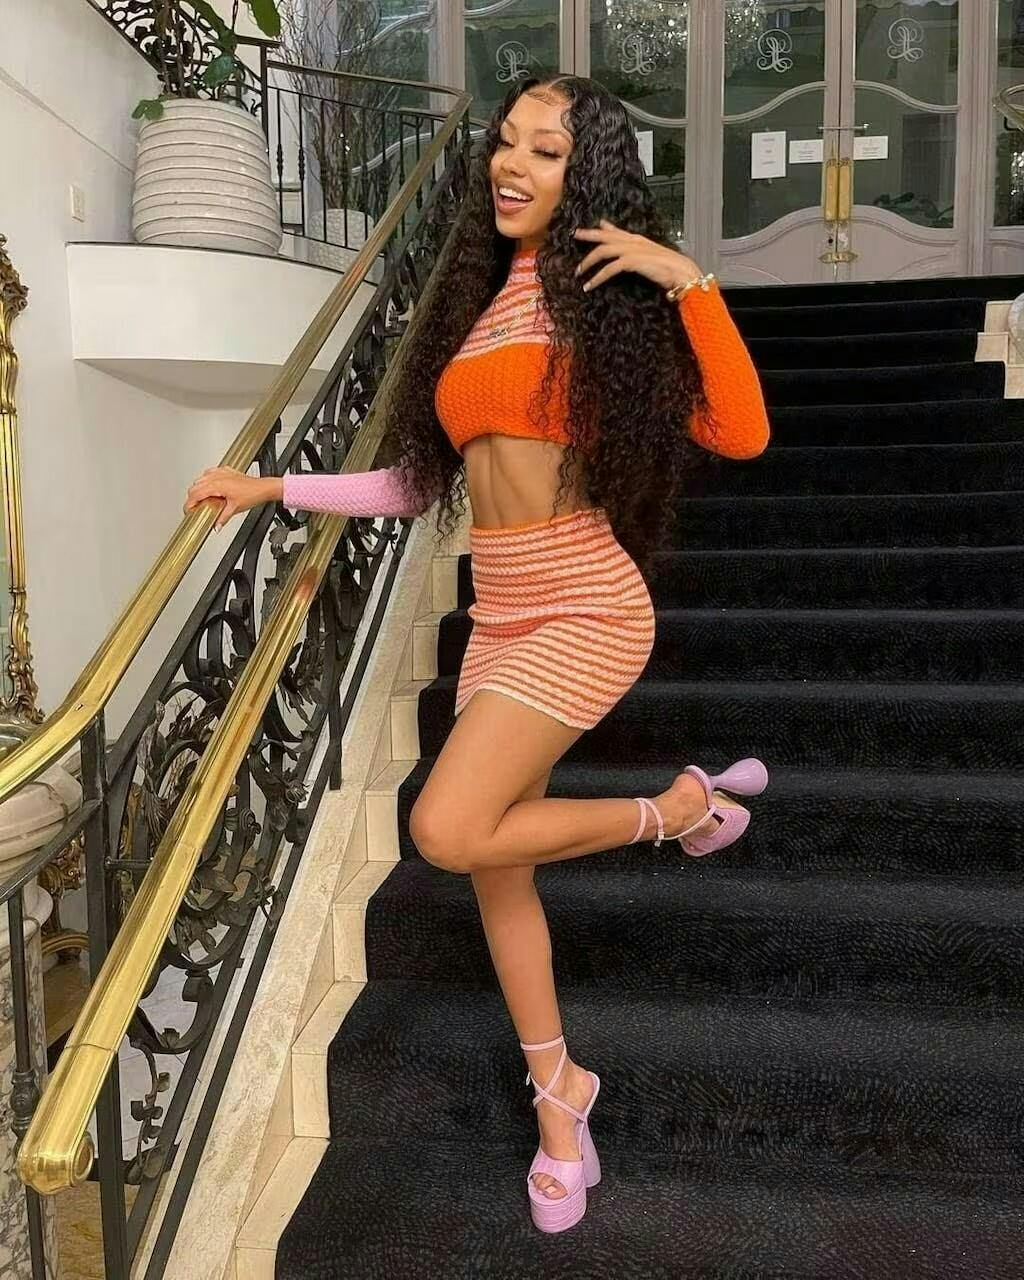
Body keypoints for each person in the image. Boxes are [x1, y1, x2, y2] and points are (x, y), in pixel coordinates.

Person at [185, 74, 770, 1235]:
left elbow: (741, 430)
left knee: (448, 830)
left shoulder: (606, 304)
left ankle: (672, 808)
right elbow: (418, 483)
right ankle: (561, 1096)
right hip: (500, 613)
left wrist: (687, 280)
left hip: (585, 605)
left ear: (584, 175)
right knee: (500, 867)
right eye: (506, 142)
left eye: (545, 151)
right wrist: (274, 488)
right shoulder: (472, 302)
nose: (512, 164)